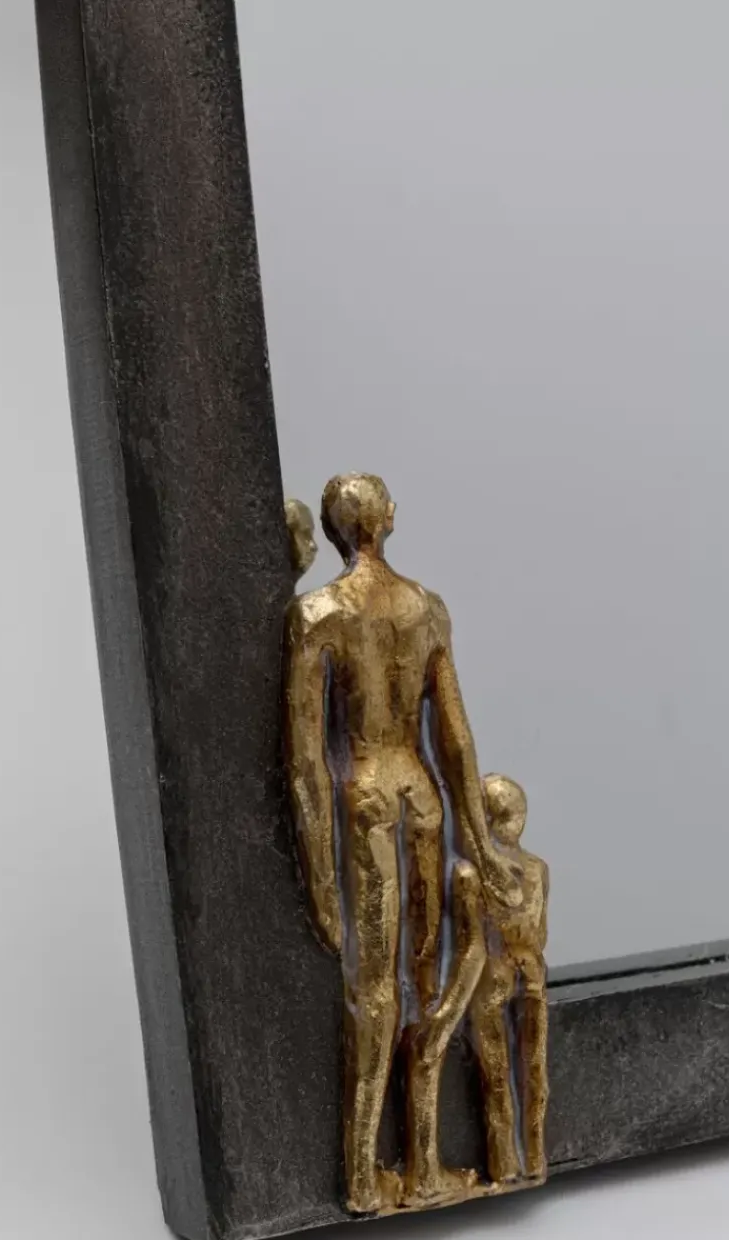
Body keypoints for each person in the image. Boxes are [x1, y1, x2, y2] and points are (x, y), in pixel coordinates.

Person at [283, 473, 522, 1213]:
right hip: (421, 797)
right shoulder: (426, 609)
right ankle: (412, 1168)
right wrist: (479, 839)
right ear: (386, 519)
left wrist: (321, 876)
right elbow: (455, 739)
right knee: (423, 986)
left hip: (367, 797)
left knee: (377, 991)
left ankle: (368, 1175)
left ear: (333, 529)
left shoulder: (318, 614)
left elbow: (307, 764)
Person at [469, 774, 549, 1184]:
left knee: (501, 1076)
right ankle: (528, 1158)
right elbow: (540, 932)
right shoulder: (536, 869)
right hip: (527, 969)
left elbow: (472, 936)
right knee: (528, 1073)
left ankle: (508, 1162)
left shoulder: (482, 873)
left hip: (498, 972)